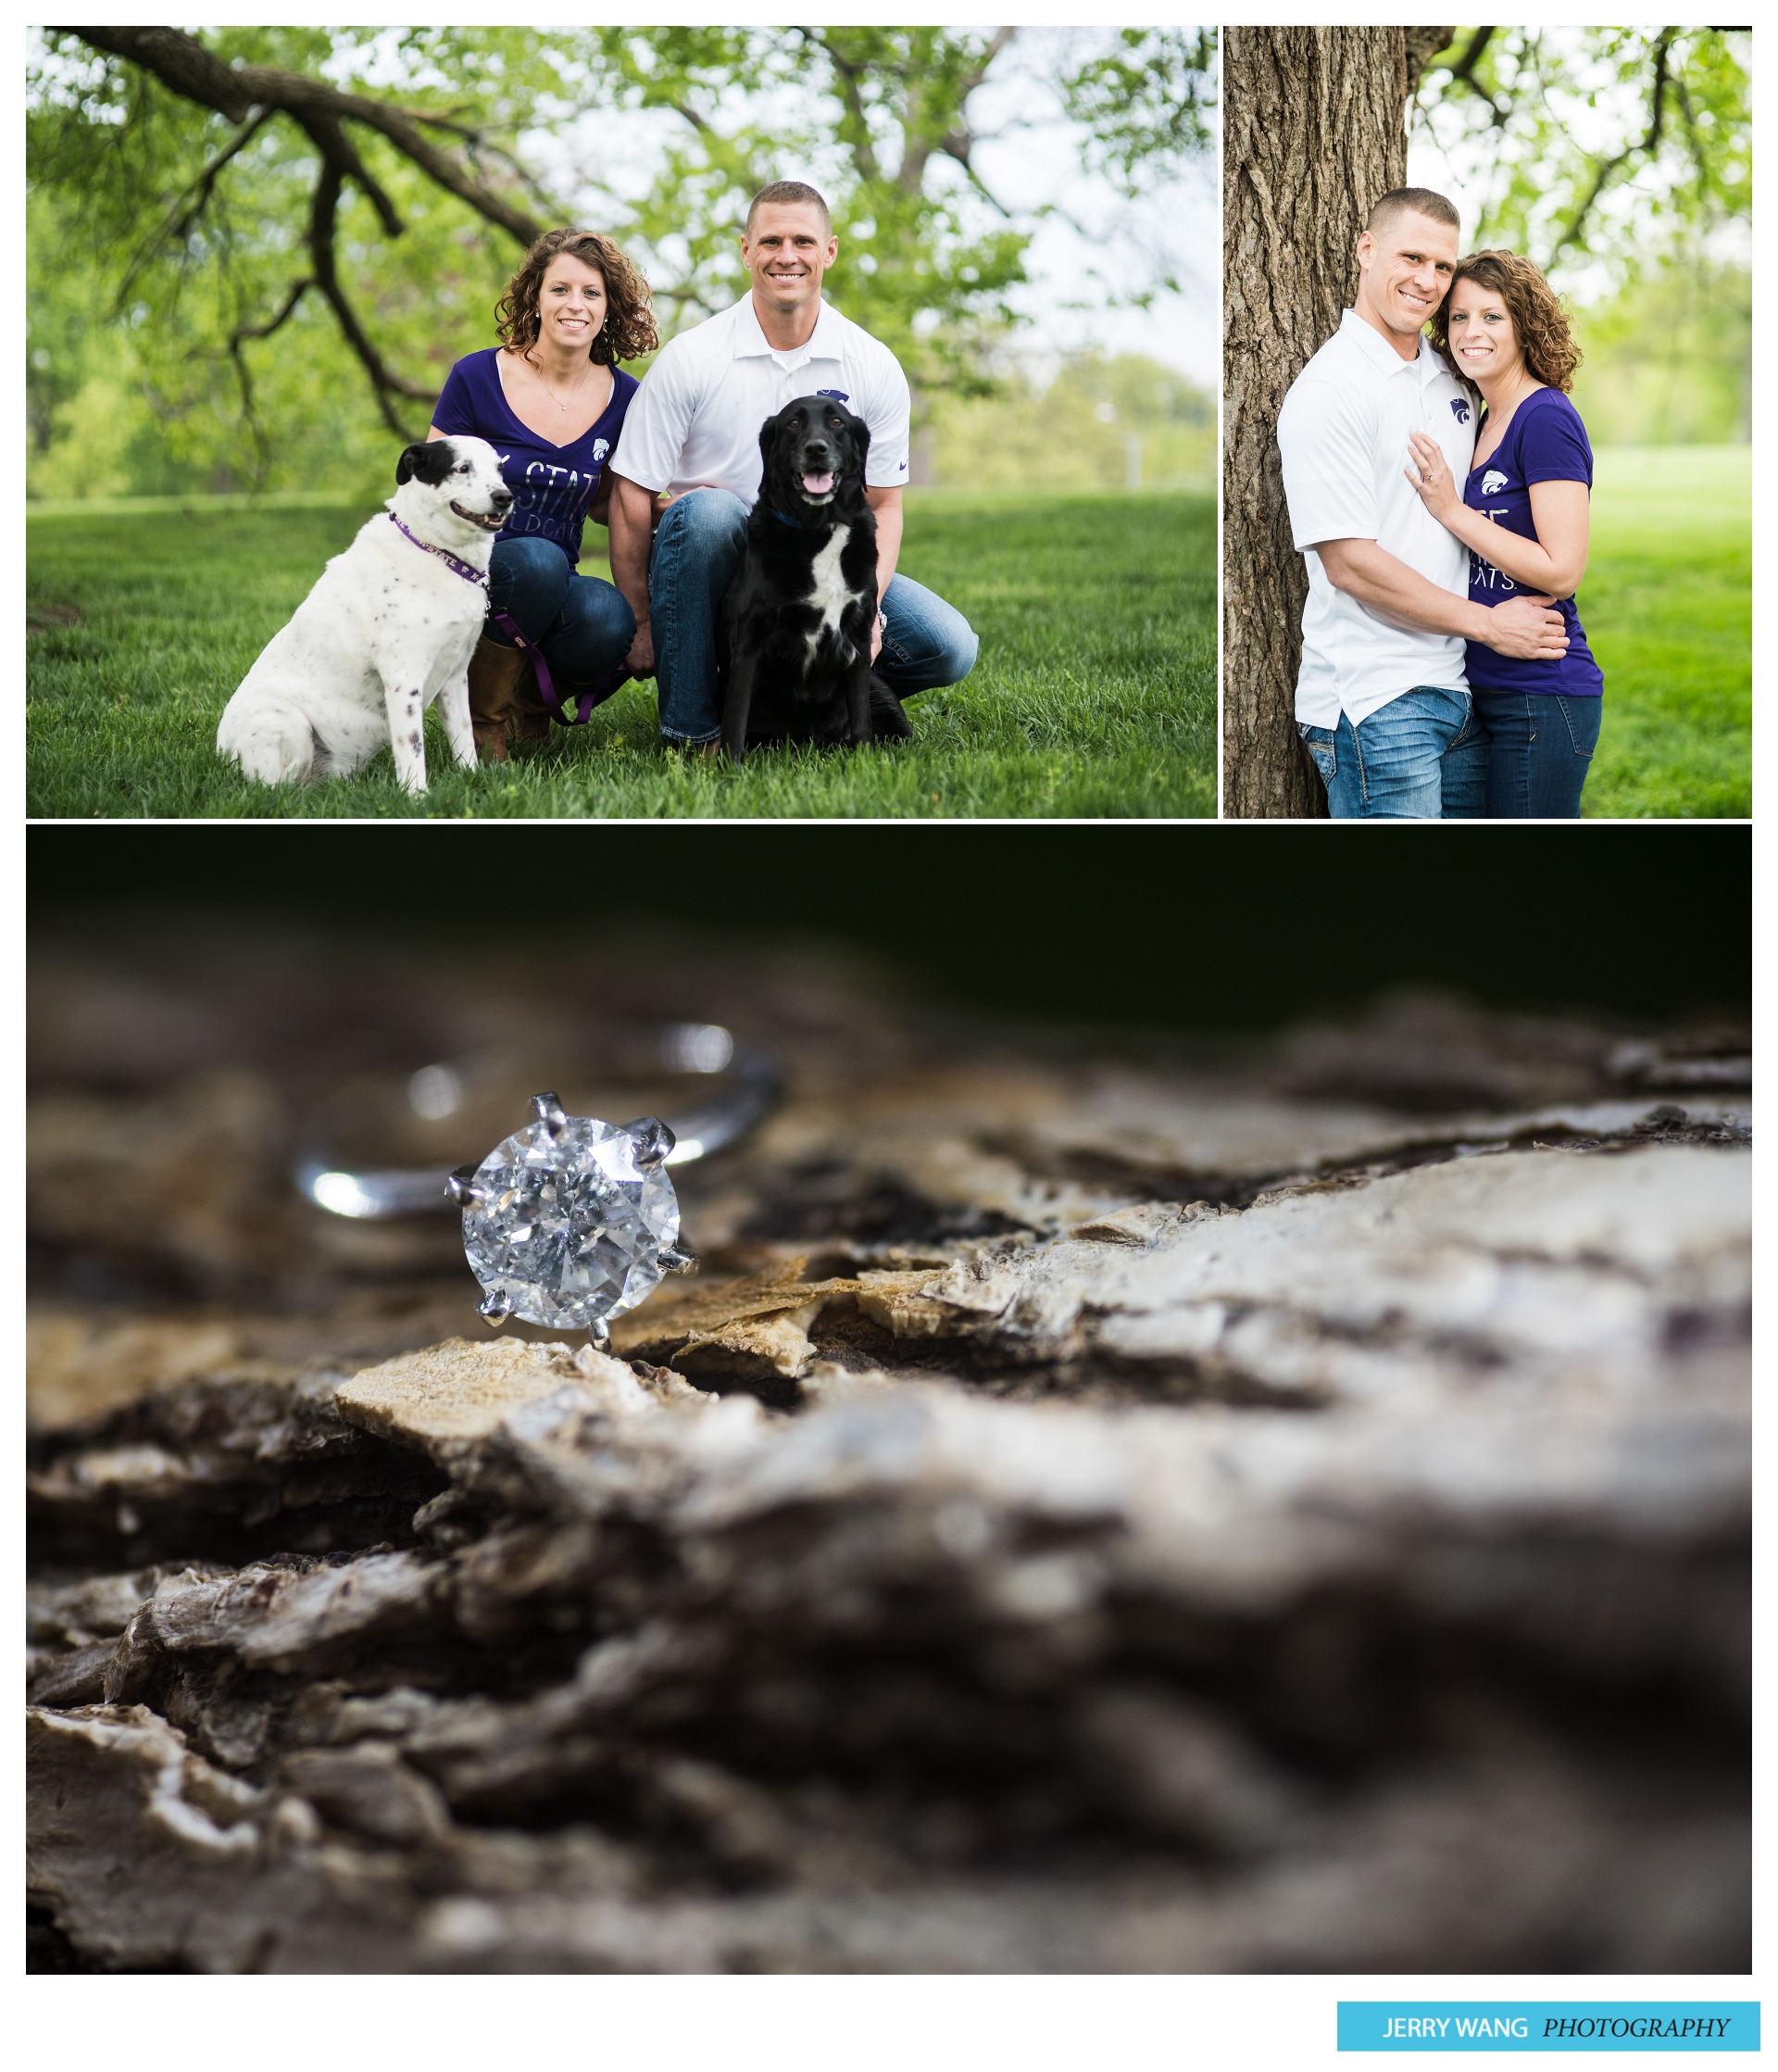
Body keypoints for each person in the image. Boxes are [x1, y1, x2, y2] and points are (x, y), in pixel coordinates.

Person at [607, 180, 978, 751]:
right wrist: (641, 620)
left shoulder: (871, 364)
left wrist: (868, 609)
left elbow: (884, 504)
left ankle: (804, 703)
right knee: (709, 513)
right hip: (715, 569)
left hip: (829, 565)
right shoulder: (693, 357)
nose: (787, 256)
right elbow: (631, 493)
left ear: (828, 252)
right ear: (746, 250)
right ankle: (694, 731)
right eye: (771, 240)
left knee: (947, 644)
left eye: (803, 241)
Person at [1276, 187, 1570, 818]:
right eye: (1411, 257)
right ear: (1366, 249)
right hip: (1376, 701)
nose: (1428, 280)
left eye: (1442, 265)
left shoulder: (1451, 374)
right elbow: (1350, 563)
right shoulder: (1331, 390)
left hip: (1458, 690)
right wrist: (1490, 624)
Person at [429, 228, 658, 761]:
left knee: (609, 619)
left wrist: (662, 504)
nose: (574, 304)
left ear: (610, 308)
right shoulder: (477, 376)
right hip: (466, 573)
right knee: (536, 560)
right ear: (534, 296)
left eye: (591, 293)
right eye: (560, 289)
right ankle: (483, 724)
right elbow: (430, 487)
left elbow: (605, 503)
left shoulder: (627, 398)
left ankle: (528, 707)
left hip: (555, 580)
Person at [1405, 250, 1603, 818]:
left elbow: (1563, 569)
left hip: (1542, 694)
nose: (1472, 332)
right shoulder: (1481, 414)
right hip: (1481, 687)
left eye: (1493, 317)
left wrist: (1451, 509)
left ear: (1524, 324)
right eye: (1460, 317)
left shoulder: (1545, 417)